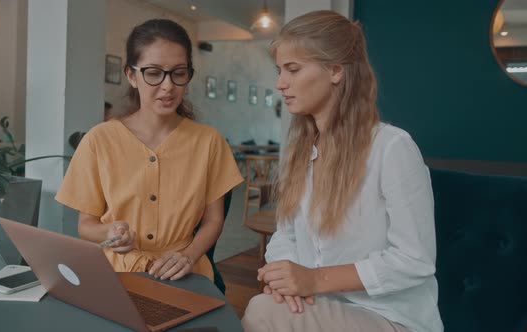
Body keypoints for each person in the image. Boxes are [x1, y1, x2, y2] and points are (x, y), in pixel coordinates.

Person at [241, 10, 443, 332]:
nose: (280, 84)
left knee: (261, 312)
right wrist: (284, 277)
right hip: (318, 305)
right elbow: (285, 234)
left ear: (335, 71)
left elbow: (414, 260)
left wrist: (314, 280)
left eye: (293, 69)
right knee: (269, 306)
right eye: (279, 70)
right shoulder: (298, 150)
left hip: (388, 316)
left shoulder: (392, 148)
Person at [56, 19, 243, 282]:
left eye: (178, 73)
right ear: (131, 75)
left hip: (184, 272)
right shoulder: (99, 139)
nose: (168, 86)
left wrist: (188, 256)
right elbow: (86, 226)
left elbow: (214, 221)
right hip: (116, 274)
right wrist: (110, 232)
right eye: (154, 73)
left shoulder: (210, 142)